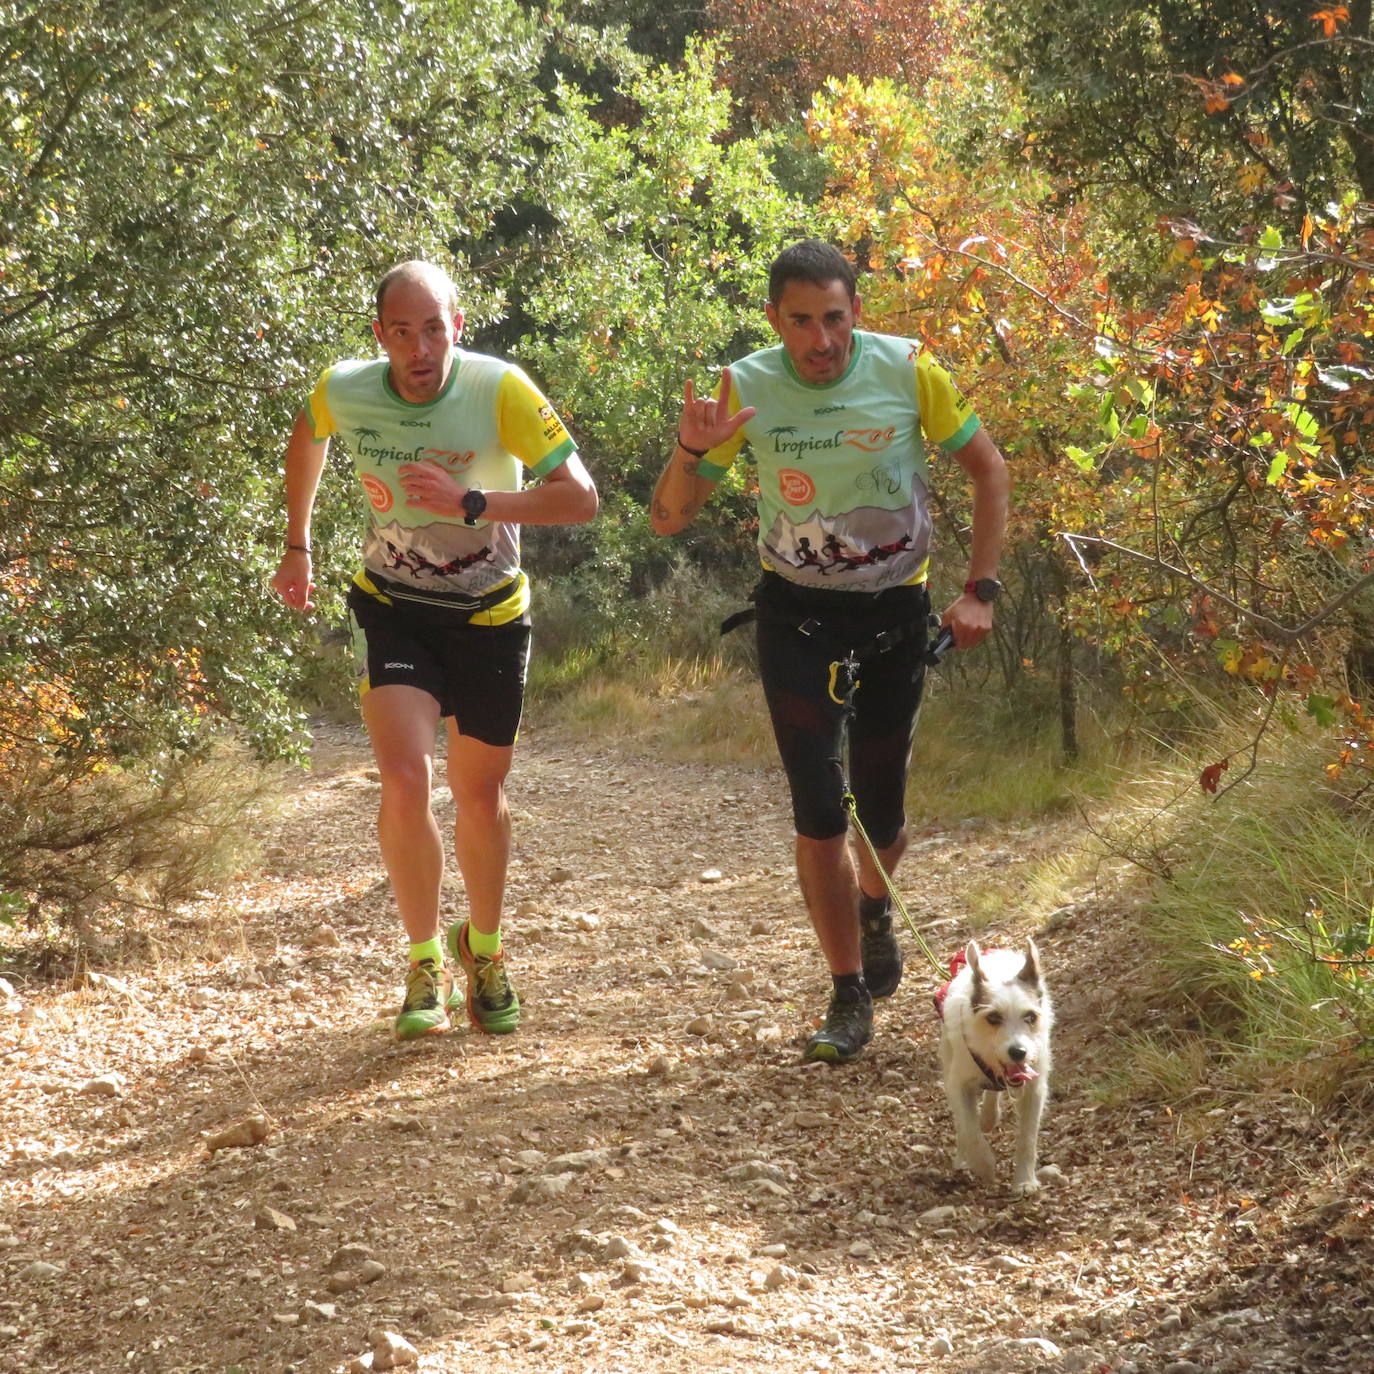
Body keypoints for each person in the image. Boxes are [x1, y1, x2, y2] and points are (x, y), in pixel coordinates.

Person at [651, 240, 1008, 1064]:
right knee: (819, 809)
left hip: (895, 616)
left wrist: (978, 590)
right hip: (796, 621)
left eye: (836, 319)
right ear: (775, 320)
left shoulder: (909, 369)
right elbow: (670, 518)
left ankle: (876, 904)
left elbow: (989, 472)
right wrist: (691, 450)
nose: (821, 341)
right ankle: (848, 994)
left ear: (858, 314)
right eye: (802, 322)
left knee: (880, 817)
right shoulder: (744, 386)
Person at [272, 260, 597, 1040]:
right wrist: (297, 545)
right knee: (402, 775)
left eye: (434, 329)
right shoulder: (344, 388)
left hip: (489, 615)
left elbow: (579, 498)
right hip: (396, 609)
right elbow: (307, 440)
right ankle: (424, 962)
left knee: (478, 795)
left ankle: (481, 949)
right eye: (402, 331)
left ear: (459, 325)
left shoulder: (500, 390)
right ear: (380, 334)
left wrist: (473, 501)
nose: (421, 349)